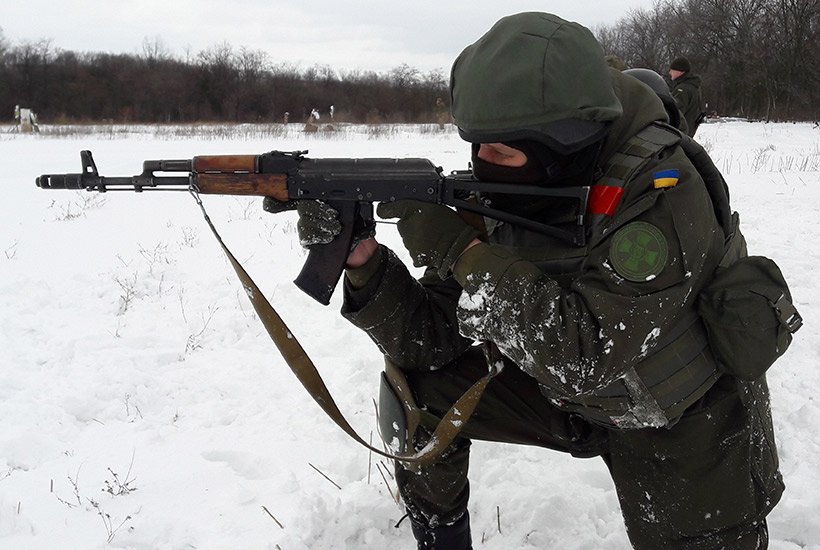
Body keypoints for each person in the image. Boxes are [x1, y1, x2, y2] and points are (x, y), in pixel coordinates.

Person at [266, 12, 784, 549]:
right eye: (478, 146)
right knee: (419, 393)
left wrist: (462, 251)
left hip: (678, 414)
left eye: (501, 152)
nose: (482, 164)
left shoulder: (662, 194)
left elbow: (584, 356)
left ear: (562, 144)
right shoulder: (520, 181)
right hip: (571, 393)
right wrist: (363, 259)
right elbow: (432, 340)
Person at [667, 56, 704, 137]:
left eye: (672, 70)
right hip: (687, 134)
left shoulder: (682, 89)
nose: (670, 72)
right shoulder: (694, 86)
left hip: (679, 135)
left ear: (679, 71)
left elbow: (675, 113)